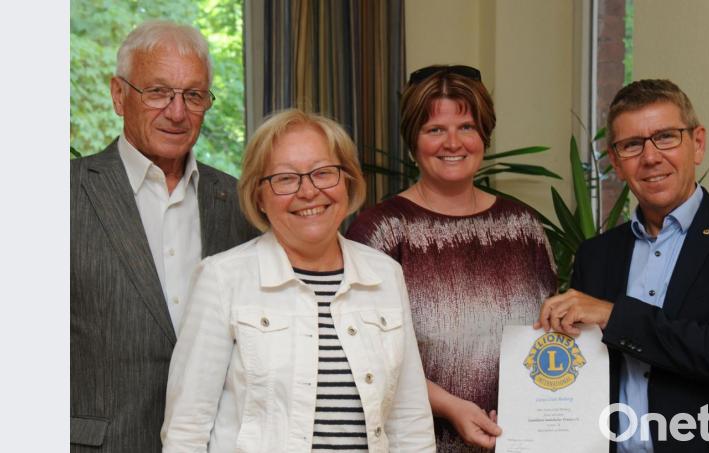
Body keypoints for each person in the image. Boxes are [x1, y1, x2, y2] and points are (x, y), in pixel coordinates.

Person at [161, 109, 436, 452]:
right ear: (259, 195)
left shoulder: (384, 275)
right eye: (286, 178)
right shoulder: (222, 278)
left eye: (323, 173)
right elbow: (186, 430)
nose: (308, 191)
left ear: (347, 180)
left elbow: (410, 423)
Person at [346, 65, 557, 452]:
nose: (453, 143)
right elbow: (365, 356)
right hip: (420, 444)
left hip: (520, 441)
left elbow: (547, 337)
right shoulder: (380, 231)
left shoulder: (523, 226)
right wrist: (451, 407)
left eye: (466, 127)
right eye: (435, 130)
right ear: (413, 140)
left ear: (484, 136)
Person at [70, 21, 258, 452]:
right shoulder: (65, 194)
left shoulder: (239, 202)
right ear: (119, 95)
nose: (177, 112)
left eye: (193, 95)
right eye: (157, 92)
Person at [536, 79, 709, 452]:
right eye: (632, 145)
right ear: (616, 162)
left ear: (698, 143)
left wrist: (616, 317)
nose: (651, 156)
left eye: (666, 137)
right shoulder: (596, 256)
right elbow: (581, 371)